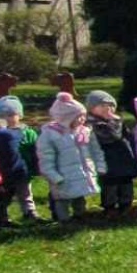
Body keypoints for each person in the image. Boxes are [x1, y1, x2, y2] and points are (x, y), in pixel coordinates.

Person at [39, 93, 98, 224]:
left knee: (79, 195)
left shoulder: (83, 132)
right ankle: (63, 219)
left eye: (84, 115)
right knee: (62, 198)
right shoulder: (50, 135)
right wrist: (53, 175)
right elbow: (45, 158)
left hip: (79, 173)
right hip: (62, 174)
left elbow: (90, 152)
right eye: (78, 116)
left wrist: (92, 168)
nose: (83, 119)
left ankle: (80, 215)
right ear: (66, 118)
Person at [0, 97, 35, 228]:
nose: (6, 119)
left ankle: (30, 212)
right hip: (2, 171)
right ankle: (0, 219)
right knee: (2, 195)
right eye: (2, 116)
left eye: (11, 115)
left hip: (22, 169)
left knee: (25, 192)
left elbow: (33, 149)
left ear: (19, 115)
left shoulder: (26, 132)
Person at [83, 90, 137, 218]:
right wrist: (113, 123)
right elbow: (109, 137)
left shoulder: (117, 121)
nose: (107, 109)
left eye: (110, 106)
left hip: (123, 157)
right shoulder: (93, 124)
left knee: (126, 182)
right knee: (110, 184)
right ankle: (110, 207)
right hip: (107, 158)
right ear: (92, 108)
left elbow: (127, 136)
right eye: (102, 106)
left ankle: (126, 205)